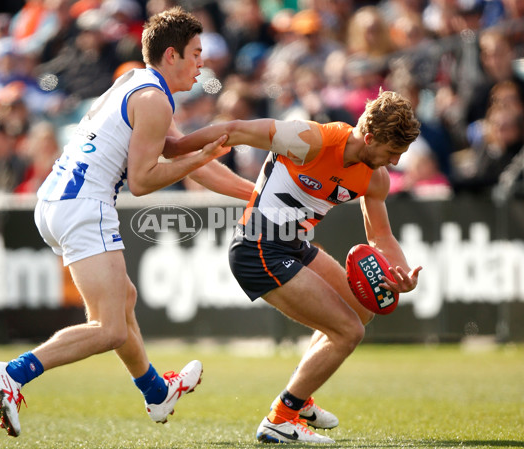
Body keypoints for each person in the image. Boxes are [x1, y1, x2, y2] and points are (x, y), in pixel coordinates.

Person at [0, 7, 254, 438]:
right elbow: (145, 182)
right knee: (108, 329)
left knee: (122, 299)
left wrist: (251, 194)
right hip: (85, 205)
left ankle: (155, 392)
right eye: (196, 53)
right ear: (171, 55)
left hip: (55, 200)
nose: (203, 63)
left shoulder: (135, 83)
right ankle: (14, 373)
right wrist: (198, 158)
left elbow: (178, 154)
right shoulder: (154, 99)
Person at [166, 89, 423, 444]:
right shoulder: (311, 140)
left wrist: (401, 272)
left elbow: (380, 233)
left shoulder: (374, 176)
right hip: (257, 248)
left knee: (361, 311)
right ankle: (280, 418)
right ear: (369, 138)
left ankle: (300, 401)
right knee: (349, 332)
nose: (395, 162)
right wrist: (175, 147)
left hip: (293, 246)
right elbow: (238, 128)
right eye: (393, 152)